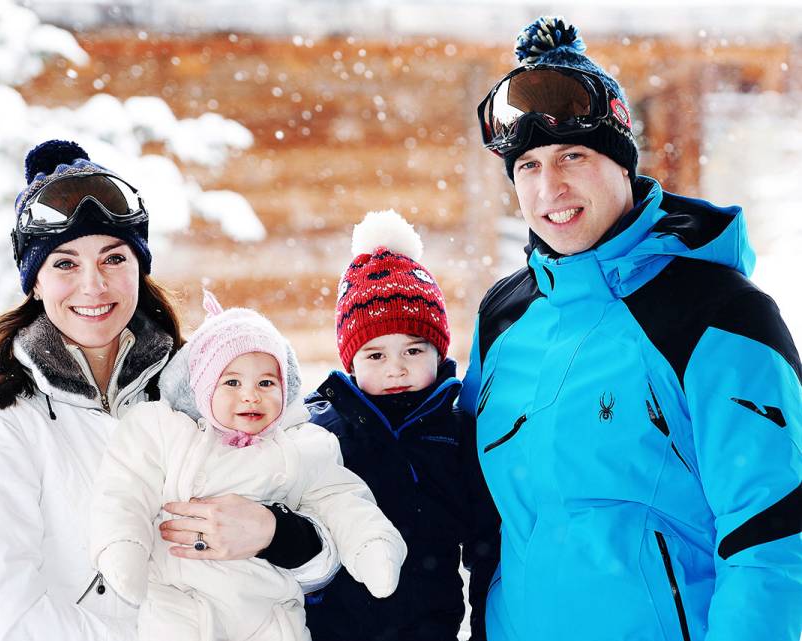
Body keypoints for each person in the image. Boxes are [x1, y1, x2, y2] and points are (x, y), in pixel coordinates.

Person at [460, 15, 802, 641]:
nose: (550, 186)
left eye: (573, 156)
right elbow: (484, 521)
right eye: (527, 166)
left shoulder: (717, 314)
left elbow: (775, 536)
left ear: (623, 165)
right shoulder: (503, 318)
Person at [0, 140, 337, 640]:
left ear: (138, 266)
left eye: (113, 258)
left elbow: (324, 550)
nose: (93, 286)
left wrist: (279, 535)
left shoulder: (201, 386)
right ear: (34, 282)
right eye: (64, 263)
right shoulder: (0, 417)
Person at [90, 291, 406, 640]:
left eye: (266, 383)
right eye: (232, 382)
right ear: (204, 388)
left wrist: (370, 543)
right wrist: (123, 545)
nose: (251, 395)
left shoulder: (301, 446)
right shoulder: (168, 432)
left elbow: (343, 500)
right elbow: (124, 489)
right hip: (180, 609)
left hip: (269, 615)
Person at [304, 210, 501, 641]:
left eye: (413, 351)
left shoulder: (457, 432)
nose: (396, 369)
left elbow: (487, 543)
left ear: (438, 350)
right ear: (351, 362)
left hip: (429, 627)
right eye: (375, 355)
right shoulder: (320, 429)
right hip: (333, 627)